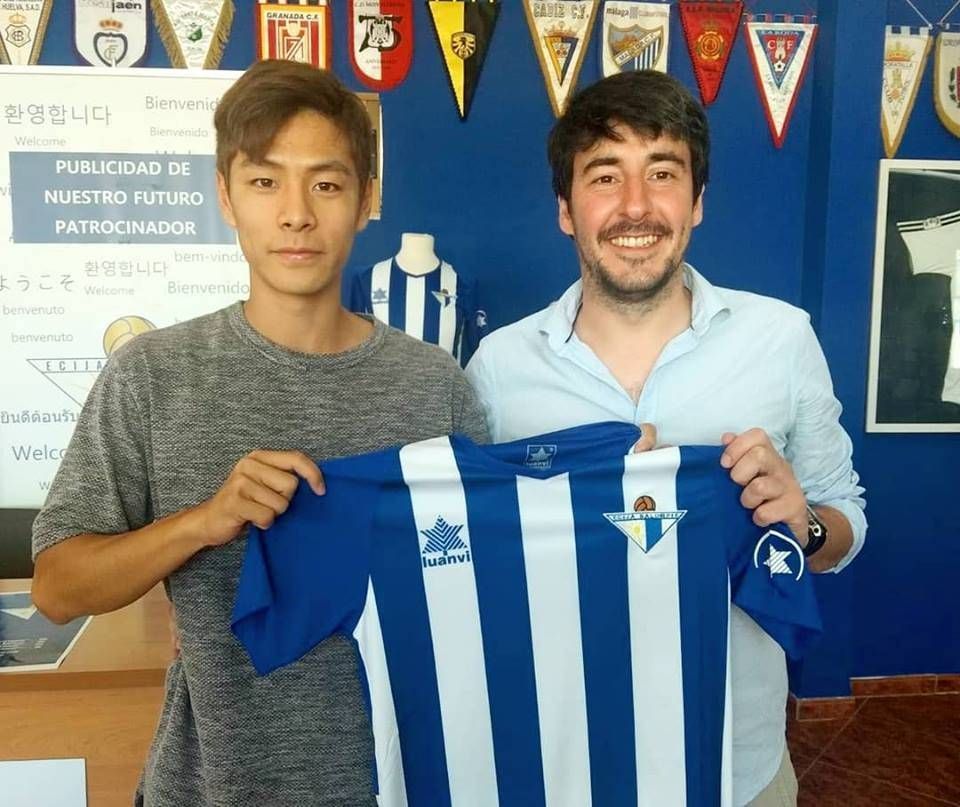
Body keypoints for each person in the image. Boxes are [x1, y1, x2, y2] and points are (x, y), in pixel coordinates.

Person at [31, 60, 487, 806]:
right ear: (226, 195)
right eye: (265, 180)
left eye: (327, 183)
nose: (296, 214)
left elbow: (487, 590)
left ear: (367, 198)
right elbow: (55, 588)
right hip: (208, 789)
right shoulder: (151, 376)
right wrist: (202, 523)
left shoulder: (434, 389)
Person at [465, 70, 866, 807]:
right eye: (605, 176)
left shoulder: (782, 339)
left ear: (698, 201)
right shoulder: (497, 370)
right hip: (562, 762)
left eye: (663, 172)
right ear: (566, 209)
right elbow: (472, 556)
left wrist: (803, 522)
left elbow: (844, 524)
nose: (636, 206)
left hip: (736, 766)